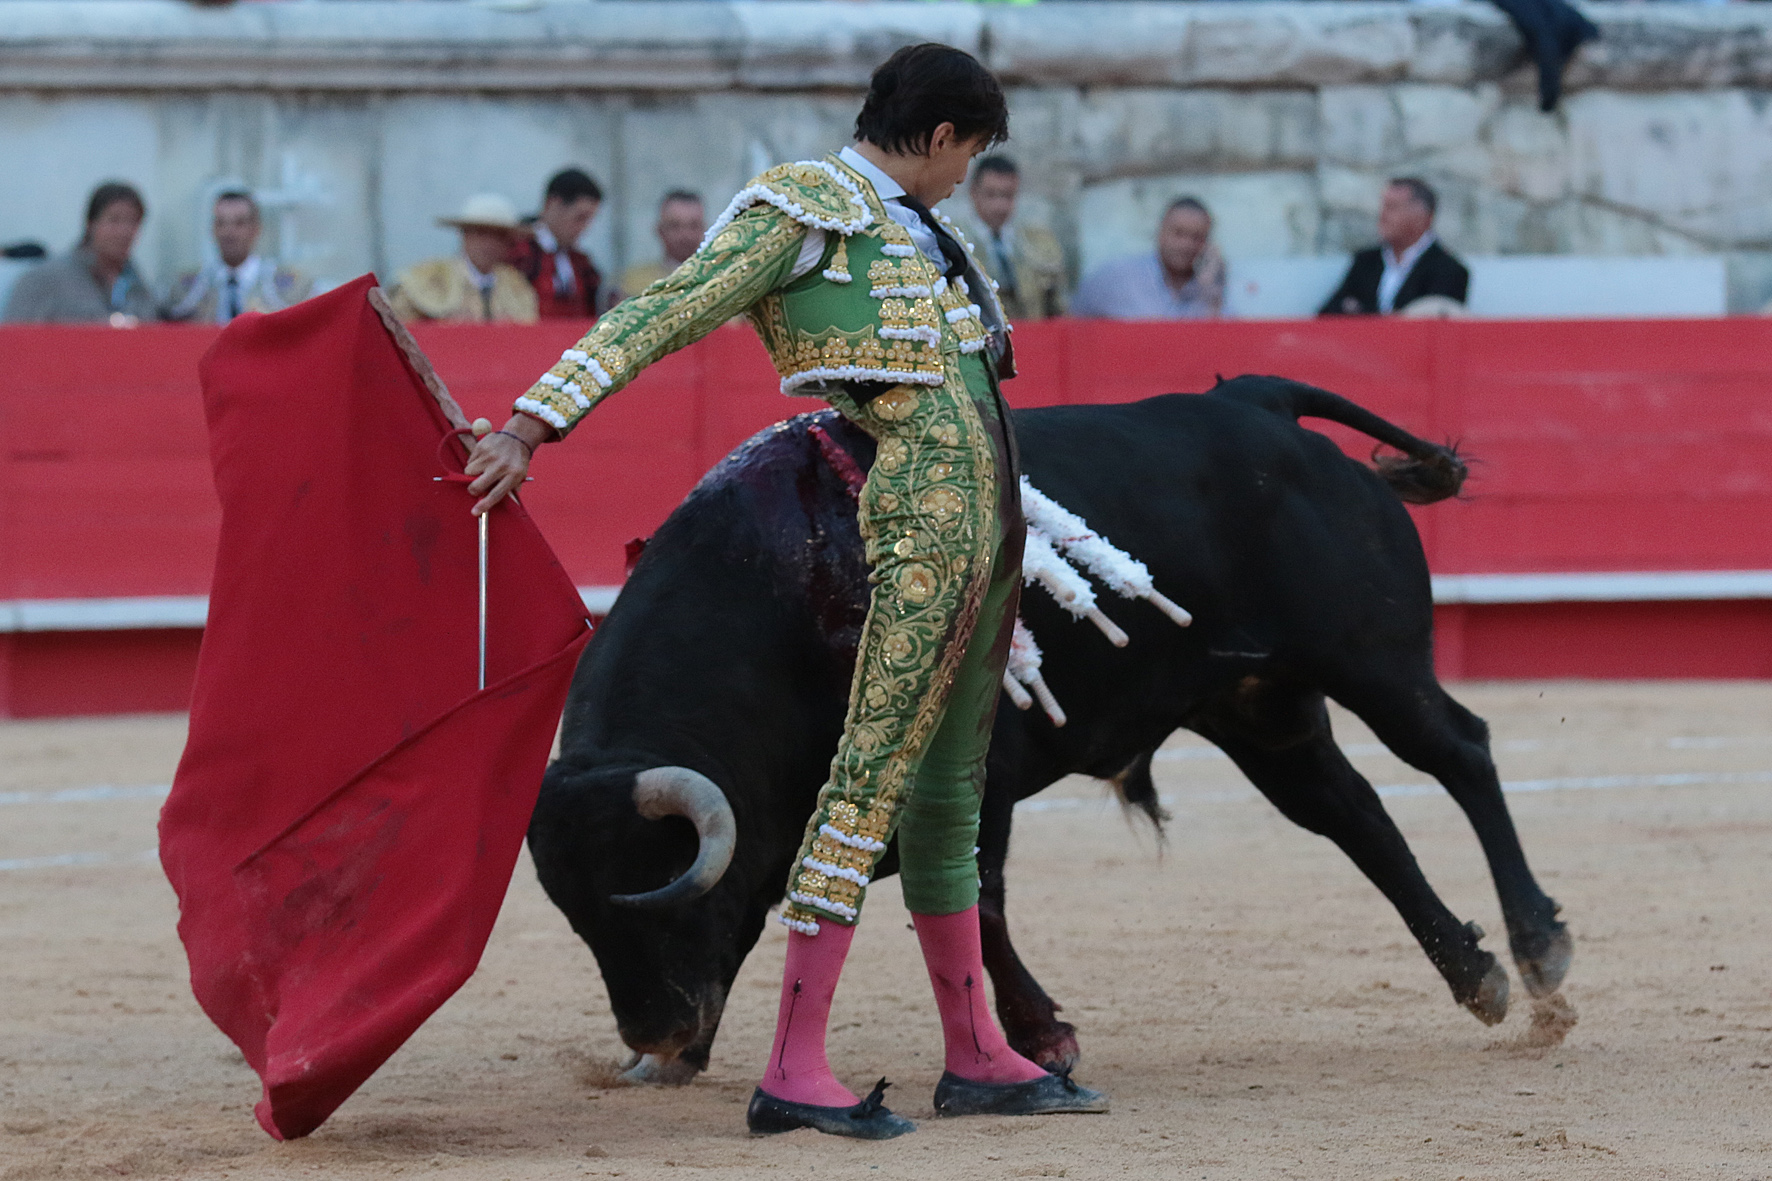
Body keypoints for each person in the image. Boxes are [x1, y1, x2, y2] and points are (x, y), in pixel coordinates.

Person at [465, 42, 1107, 1139]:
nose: (966, 175)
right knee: (861, 790)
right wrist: (533, 421)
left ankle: (976, 1052)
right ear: (945, 134)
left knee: (946, 798)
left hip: (984, 531)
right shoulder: (799, 210)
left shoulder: (921, 223)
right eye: (971, 153)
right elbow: (661, 311)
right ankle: (795, 1067)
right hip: (912, 521)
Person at [3, 181, 159, 325]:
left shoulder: (137, 285)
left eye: (133, 221)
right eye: (114, 220)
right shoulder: (45, 280)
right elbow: (15, 341)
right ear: (91, 224)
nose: (124, 232)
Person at [1320, 178, 1468, 316]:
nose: (1383, 215)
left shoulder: (1450, 270)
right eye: (1383, 206)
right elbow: (1328, 315)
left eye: (1392, 207)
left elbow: (1433, 325)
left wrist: (1359, 311)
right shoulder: (1365, 261)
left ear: (1423, 217)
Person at [163, 190, 313, 324]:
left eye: (239, 223)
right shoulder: (184, 288)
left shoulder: (292, 287)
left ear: (256, 229)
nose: (229, 232)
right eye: (221, 223)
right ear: (213, 230)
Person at [387, 194, 539, 324]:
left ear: (509, 243)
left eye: (499, 236)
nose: (489, 244)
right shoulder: (429, 278)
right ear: (464, 235)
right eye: (481, 233)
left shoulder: (517, 286)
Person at [1069, 196, 1225, 319]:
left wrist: (1211, 291)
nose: (1186, 244)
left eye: (1196, 237)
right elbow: (1071, 321)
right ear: (1160, 233)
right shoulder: (1117, 277)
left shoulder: (1211, 289)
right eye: (1178, 233)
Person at [956, 156, 1066, 322]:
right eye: (991, 195)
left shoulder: (1040, 242)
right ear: (974, 193)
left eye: (1007, 196)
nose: (1000, 206)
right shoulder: (955, 241)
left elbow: (1057, 308)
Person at [509, 168, 617, 319]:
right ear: (553, 204)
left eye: (589, 220)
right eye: (580, 217)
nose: (584, 228)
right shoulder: (516, 250)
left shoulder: (581, 262)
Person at [619, 190, 706, 296]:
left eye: (694, 225)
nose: (685, 235)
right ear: (659, 230)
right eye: (675, 226)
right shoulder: (634, 282)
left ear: (705, 229)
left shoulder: (717, 277)